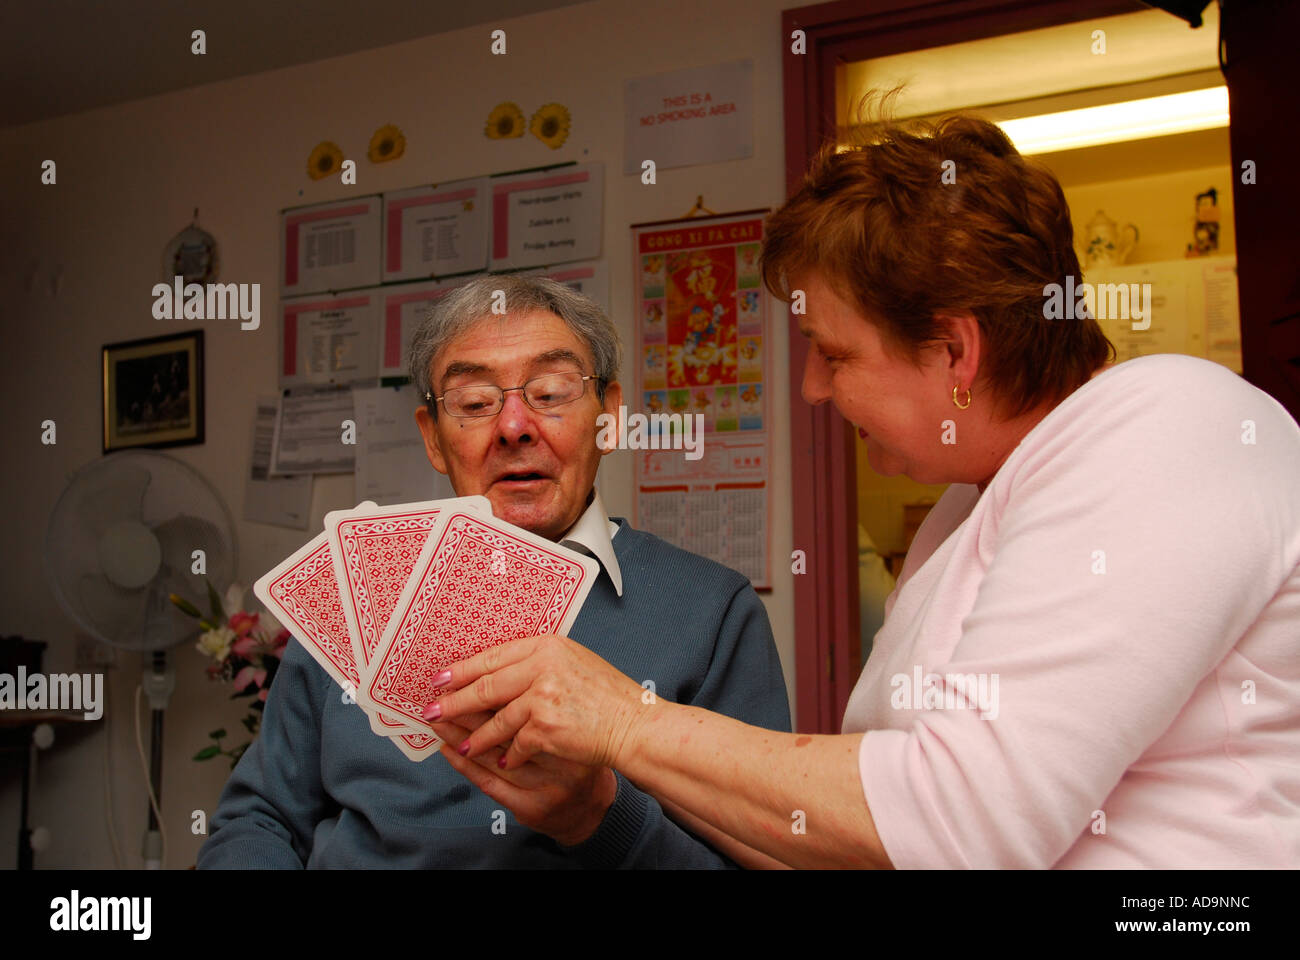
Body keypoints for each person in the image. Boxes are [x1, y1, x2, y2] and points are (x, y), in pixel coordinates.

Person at [428, 113, 1300, 868]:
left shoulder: (1168, 426)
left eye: (834, 353)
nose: (812, 388)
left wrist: (621, 720)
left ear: (955, 353)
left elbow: (964, 823)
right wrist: (597, 804)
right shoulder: (969, 503)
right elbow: (850, 831)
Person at [197, 275, 790, 869]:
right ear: (433, 439)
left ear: (608, 417)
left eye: (552, 392)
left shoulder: (713, 613)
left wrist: (600, 817)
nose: (513, 426)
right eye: (475, 403)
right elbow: (258, 816)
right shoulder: (358, 592)